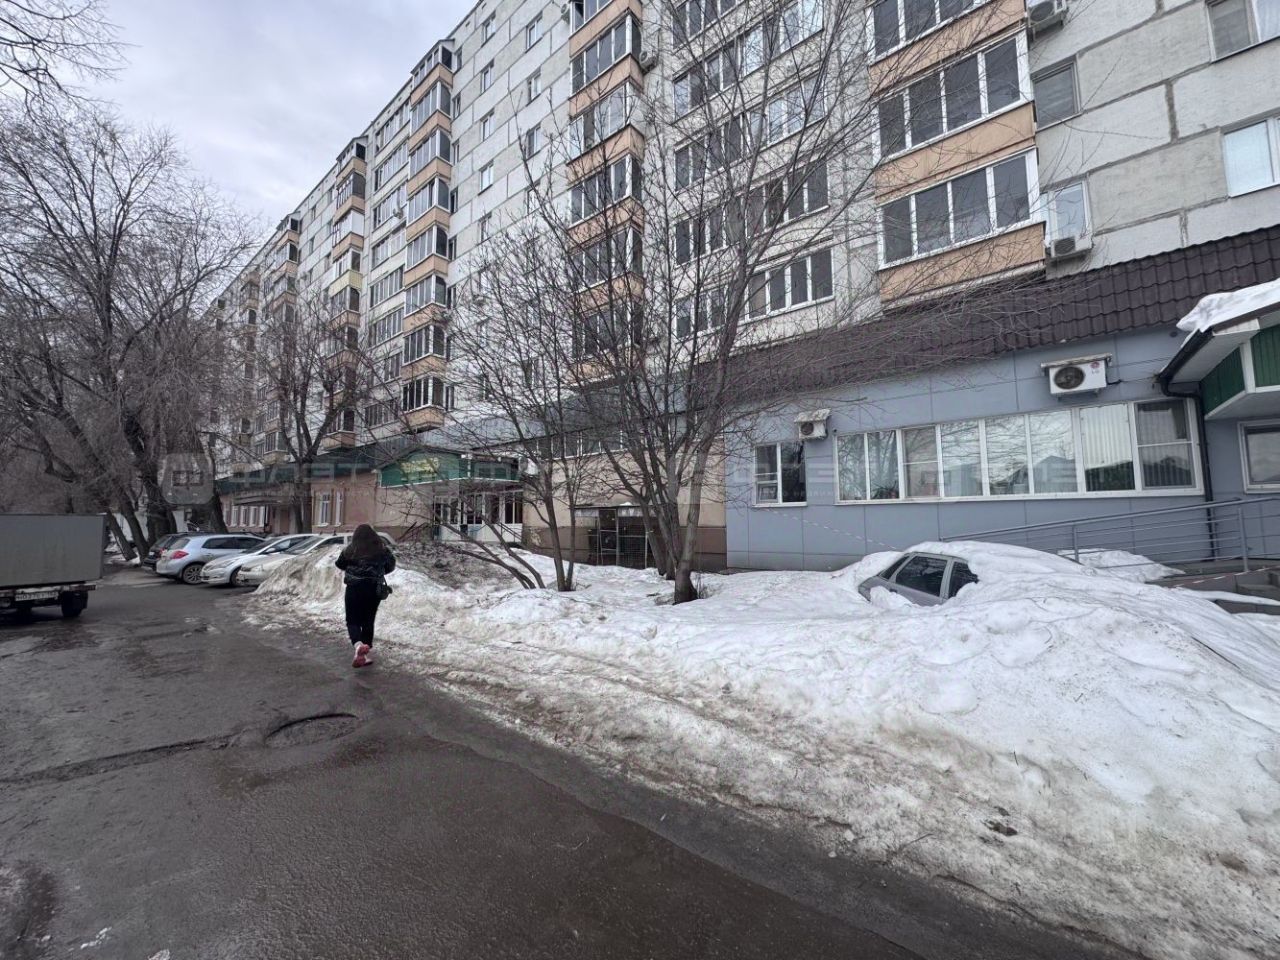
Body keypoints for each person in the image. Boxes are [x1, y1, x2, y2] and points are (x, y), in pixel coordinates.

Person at [334, 524, 396, 668]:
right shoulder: (382, 550)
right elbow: (391, 566)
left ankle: (358, 645)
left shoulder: (350, 550)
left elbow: (339, 564)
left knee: (352, 619)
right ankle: (365, 652)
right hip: (373, 589)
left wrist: (353, 568)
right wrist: (377, 570)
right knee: (368, 620)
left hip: (354, 588)